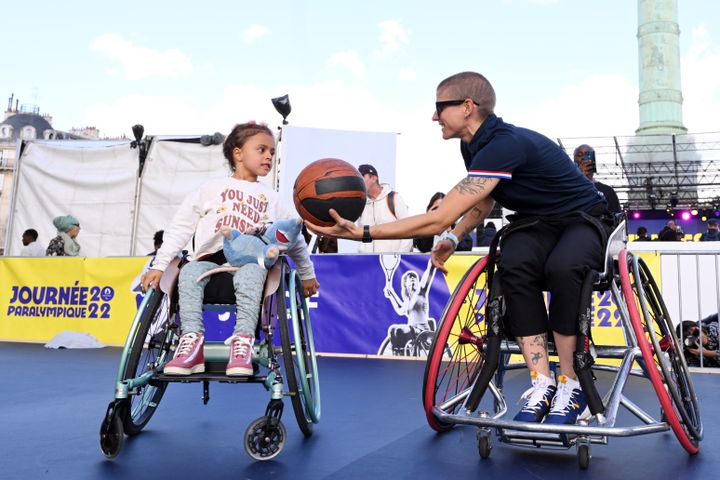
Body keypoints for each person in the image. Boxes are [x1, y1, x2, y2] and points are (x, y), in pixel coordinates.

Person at [308, 71, 612, 425]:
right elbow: (483, 200)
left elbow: (439, 217)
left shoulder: (504, 143)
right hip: (539, 223)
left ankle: (570, 384)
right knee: (513, 263)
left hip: (583, 219)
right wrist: (455, 236)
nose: (434, 116)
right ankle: (542, 381)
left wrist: (363, 232)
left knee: (563, 267)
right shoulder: (473, 146)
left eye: (440, 107)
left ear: (468, 107)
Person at [142, 122, 320, 377]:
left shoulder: (273, 198)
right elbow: (180, 228)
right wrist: (159, 266)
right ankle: (191, 342)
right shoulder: (210, 188)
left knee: (251, 273)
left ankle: (243, 342)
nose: (269, 155)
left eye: (271, 150)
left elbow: (294, 238)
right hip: (210, 262)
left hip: (253, 263)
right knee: (189, 271)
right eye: (261, 149)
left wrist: (307, 274)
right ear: (238, 154)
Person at [381, 256, 437, 356]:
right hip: (412, 331)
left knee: (396, 330)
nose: (412, 278)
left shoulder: (421, 293)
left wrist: (432, 262)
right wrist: (391, 294)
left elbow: (429, 273)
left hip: (422, 332)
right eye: (409, 277)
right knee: (393, 331)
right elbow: (400, 309)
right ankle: (398, 357)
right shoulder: (407, 302)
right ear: (405, 285)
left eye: (414, 278)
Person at [356, 164, 413, 253]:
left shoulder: (394, 198)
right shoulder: (361, 203)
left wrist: (399, 259)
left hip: (391, 263)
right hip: (367, 262)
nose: (358, 180)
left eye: (361, 176)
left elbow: (409, 230)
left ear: (374, 178)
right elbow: (359, 234)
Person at [573, 144, 621, 213]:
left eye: (587, 154)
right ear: (574, 161)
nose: (583, 158)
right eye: (579, 155)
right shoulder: (568, 188)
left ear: (593, 160)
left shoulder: (608, 191)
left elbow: (616, 217)